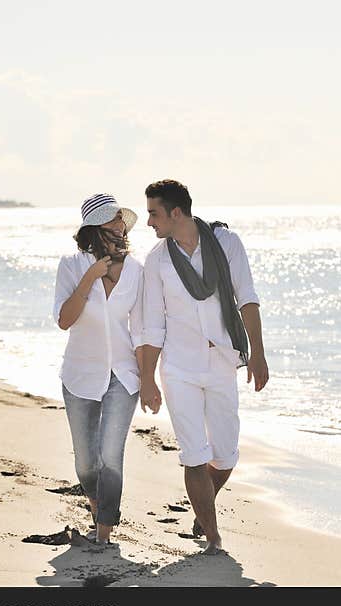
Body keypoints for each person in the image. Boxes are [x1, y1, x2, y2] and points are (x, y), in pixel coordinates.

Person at [139, 179, 269, 555]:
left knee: (225, 455)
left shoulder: (226, 243)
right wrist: (148, 379)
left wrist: (257, 354)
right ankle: (213, 538)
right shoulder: (157, 260)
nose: (149, 222)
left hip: (222, 361)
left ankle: (203, 506)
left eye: (154, 213)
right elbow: (152, 324)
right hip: (179, 367)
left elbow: (247, 299)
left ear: (175, 212)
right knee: (194, 453)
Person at [53, 193, 143, 545]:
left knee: (110, 457)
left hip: (123, 375)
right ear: (94, 230)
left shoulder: (137, 271)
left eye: (121, 221)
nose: (120, 228)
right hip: (79, 375)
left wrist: (149, 378)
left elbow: (145, 328)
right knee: (87, 464)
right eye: (112, 222)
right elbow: (64, 320)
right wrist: (90, 276)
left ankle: (104, 532)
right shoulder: (71, 266)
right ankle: (97, 509)